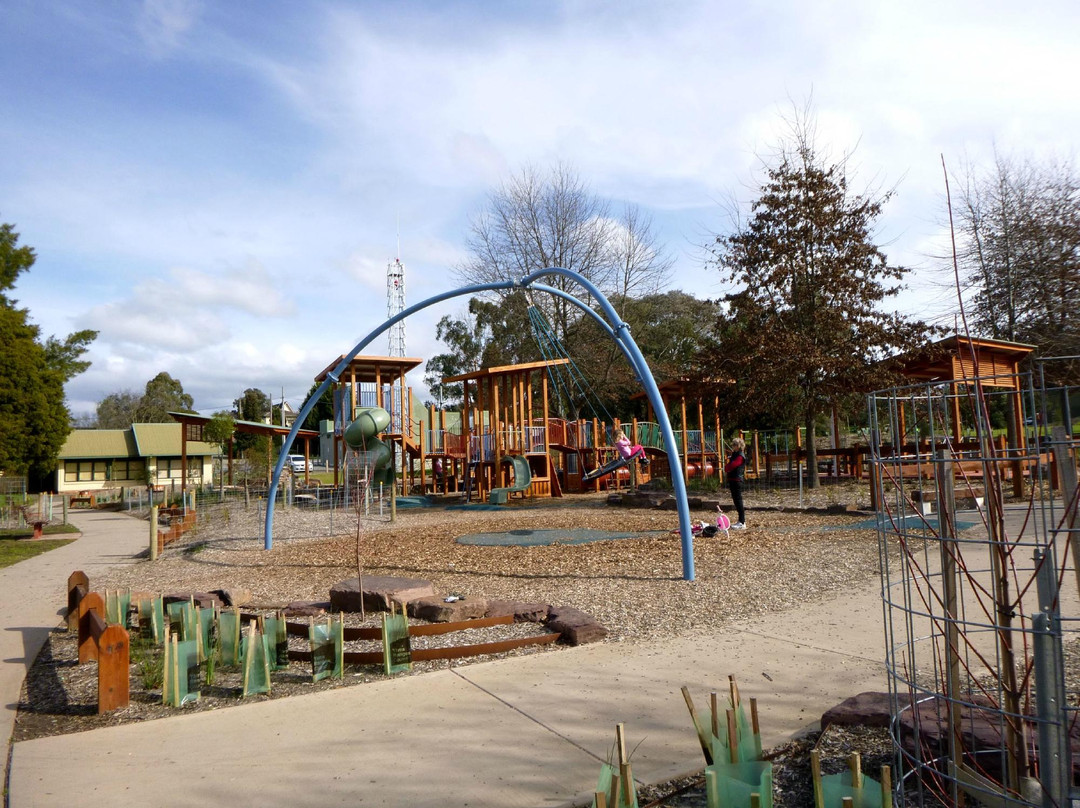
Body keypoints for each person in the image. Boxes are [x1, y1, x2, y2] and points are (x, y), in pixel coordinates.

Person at [724, 437, 747, 529]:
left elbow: (732, 466)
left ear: (738, 446)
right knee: (736, 501)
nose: (732, 446)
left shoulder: (740, 456)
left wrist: (726, 467)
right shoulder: (735, 454)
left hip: (737, 480)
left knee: (738, 501)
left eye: (734, 445)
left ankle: (742, 522)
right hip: (733, 479)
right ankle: (740, 521)